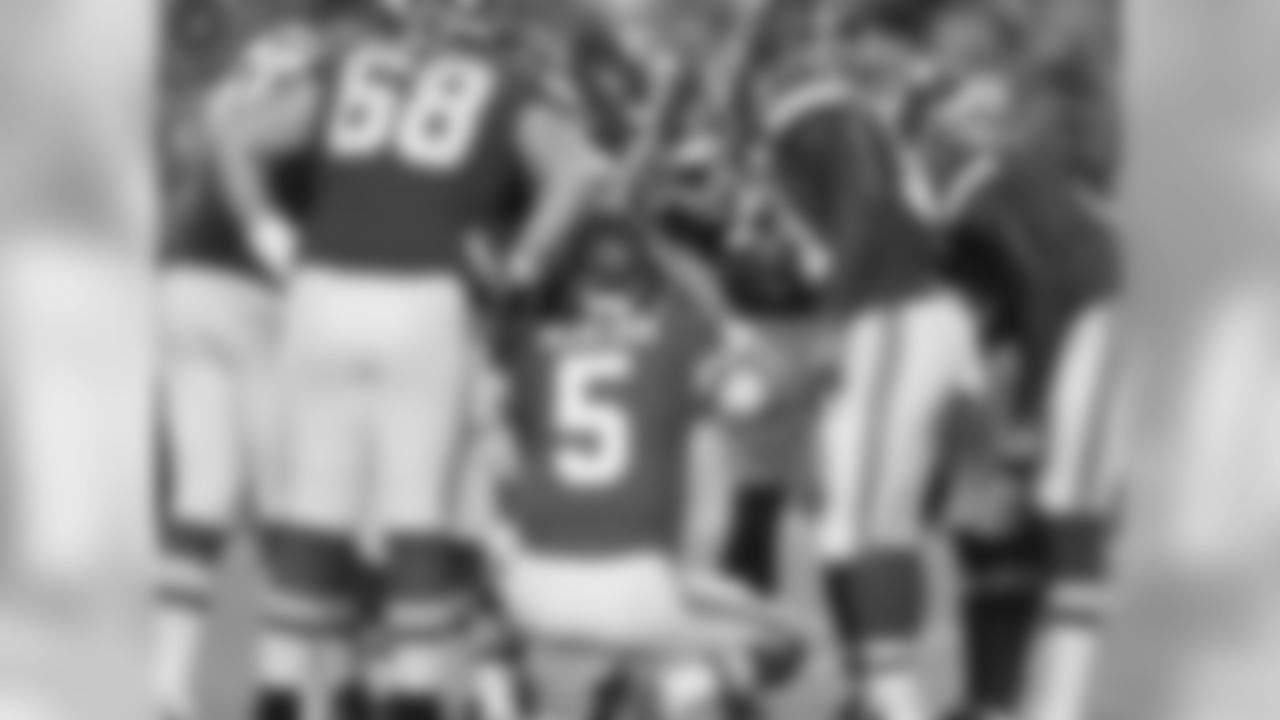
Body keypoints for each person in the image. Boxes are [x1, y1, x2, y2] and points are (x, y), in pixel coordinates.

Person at [207, 0, 605, 717]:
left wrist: (268, 235)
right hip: (425, 292)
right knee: (417, 511)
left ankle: (277, 691)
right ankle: (414, 695)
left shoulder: (346, 66)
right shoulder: (504, 82)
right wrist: (523, 267)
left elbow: (238, 138)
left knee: (311, 507)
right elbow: (577, 172)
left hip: (323, 290)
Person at [485, 223, 801, 720]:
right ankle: (690, 689)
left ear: (573, 284)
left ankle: (496, 681)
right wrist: (732, 331)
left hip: (531, 589)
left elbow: (497, 453)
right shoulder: (676, 338)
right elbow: (753, 398)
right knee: (774, 641)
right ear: (645, 284)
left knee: (494, 576)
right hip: (638, 587)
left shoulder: (531, 347)